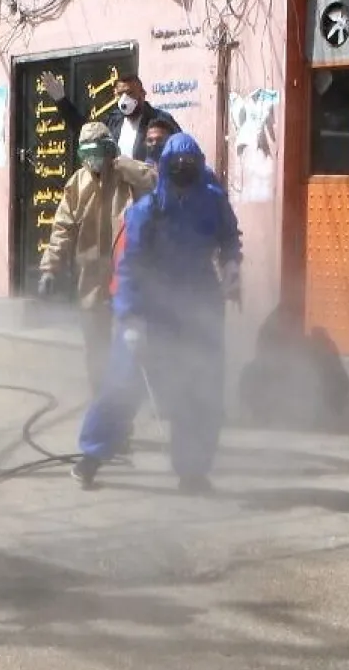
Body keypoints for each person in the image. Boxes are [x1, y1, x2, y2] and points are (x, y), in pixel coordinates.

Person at [72, 133, 242, 494]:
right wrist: (130, 317)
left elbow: (229, 237)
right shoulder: (146, 211)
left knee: (199, 390)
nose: (183, 171)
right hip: (148, 310)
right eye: (176, 166)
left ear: (198, 166)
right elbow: (129, 267)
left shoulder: (213, 201)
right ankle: (91, 456)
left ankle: (193, 471)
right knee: (122, 384)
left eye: (189, 166)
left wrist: (230, 264)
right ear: (165, 168)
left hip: (197, 307)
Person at [39, 122, 157, 392]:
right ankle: (100, 406)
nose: (93, 160)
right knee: (96, 349)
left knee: (128, 346)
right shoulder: (77, 184)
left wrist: (122, 164)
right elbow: (62, 229)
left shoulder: (125, 175)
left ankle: (126, 407)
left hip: (126, 279)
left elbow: (154, 180)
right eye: (86, 154)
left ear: (108, 150)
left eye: (98, 152)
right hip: (91, 280)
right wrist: (50, 268)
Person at [39, 71, 181, 163]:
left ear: (142, 94)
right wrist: (61, 101)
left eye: (129, 93)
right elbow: (86, 131)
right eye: (120, 94)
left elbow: (181, 153)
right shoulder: (113, 121)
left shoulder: (161, 121)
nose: (124, 99)